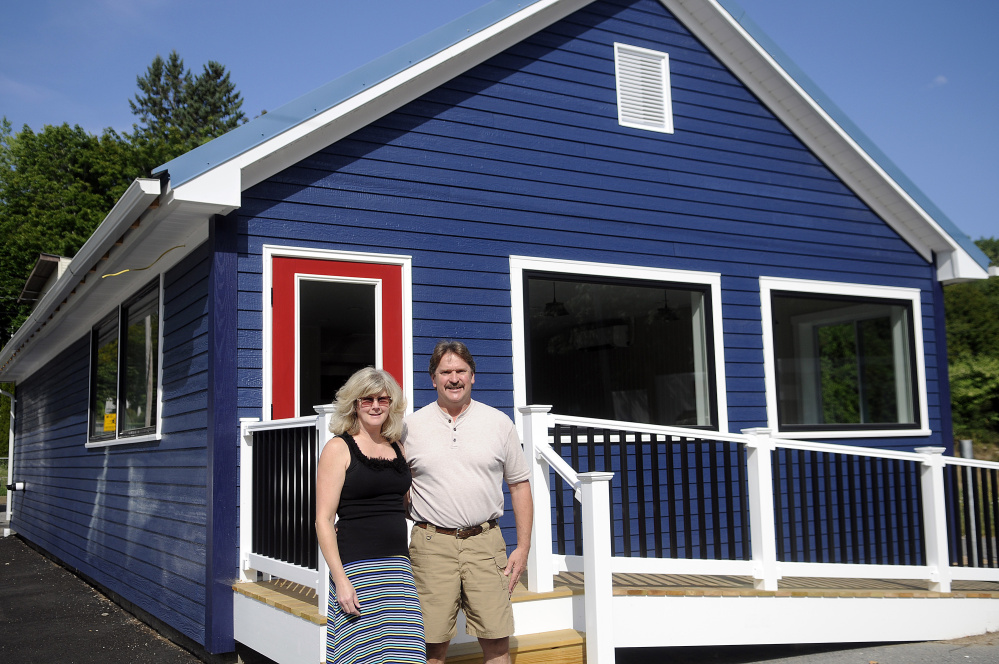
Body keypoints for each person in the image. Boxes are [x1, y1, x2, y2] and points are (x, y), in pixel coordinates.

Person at [403, 341, 533, 664]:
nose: (454, 378)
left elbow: (519, 485)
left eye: (461, 371)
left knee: (496, 643)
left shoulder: (499, 424)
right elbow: (395, 487)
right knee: (430, 647)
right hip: (431, 545)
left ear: (473, 376)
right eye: (445, 371)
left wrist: (523, 547)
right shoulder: (410, 428)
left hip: (485, 544)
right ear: (432, 379)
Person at [315, 367, 425, 664]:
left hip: (398, 569)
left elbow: (402, 504)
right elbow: (323, 521)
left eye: (383, 399)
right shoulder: (338, 448)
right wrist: (341, 581)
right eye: (367, 399)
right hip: (357, 570)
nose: (376, 406)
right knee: (362, 654)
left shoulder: (397, 447)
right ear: (354, 403)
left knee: (406, 651)